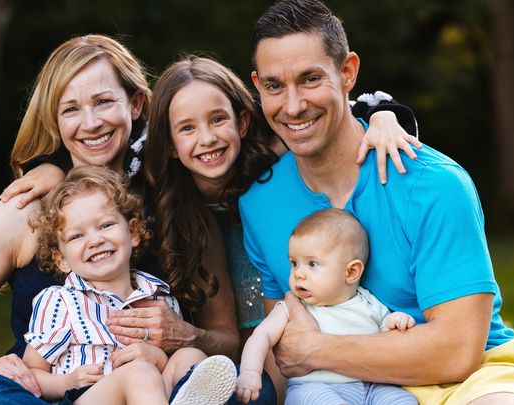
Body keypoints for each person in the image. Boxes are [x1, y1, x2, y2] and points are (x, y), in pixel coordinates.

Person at [238, 1, 514, 404]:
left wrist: (316, 350)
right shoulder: (260, 205)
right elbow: (286, 350)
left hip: (472, 378)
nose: (292, 105)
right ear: (258, 86)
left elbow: (457, 351)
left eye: (310, 79)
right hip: (337, 388)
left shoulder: (435, 185)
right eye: (274, 86)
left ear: (347, 72)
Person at [0, 34, 239, 404]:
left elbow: (227, 339)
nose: (90, 123)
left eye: (104, 101)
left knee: (248, 387)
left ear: (135, 104)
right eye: (71, 110)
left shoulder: (177, 204)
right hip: (50, 395)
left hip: (154, 389)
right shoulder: (26, 209)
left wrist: (187, 336)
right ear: (55, 121)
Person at [143, 55, 420, 403]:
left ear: (243, 122)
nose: (208, 138)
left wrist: (384, 117)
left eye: (217, 120)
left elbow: (344, 114)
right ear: (169, 144)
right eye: (187, 128)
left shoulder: (280, 150)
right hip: (245, 353)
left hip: (303, 340)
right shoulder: (169, 202)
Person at [24, 165, 237, 404]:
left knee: (190, 356)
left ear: (133, 232)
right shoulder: (61, 301)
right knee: (139, 373)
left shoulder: (159, 299)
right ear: (61, 259)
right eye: (76, 236)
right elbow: (32, 372)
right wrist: (67, 382)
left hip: (149, 396)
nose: (95, 240)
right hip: (88, 397)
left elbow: (165, 365)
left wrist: (159, 358)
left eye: (105, 225)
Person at [235, 209, 417, 405]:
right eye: (294, 263)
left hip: (371, 385)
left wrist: (396, 321)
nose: (298, 274)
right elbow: (262, 336)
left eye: (312, 264)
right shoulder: (292, 308)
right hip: (317, 386)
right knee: (312, 397)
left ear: (351, 272)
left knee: (401, 399)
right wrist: (250, 372)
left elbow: (386, 338)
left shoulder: (369, 302)